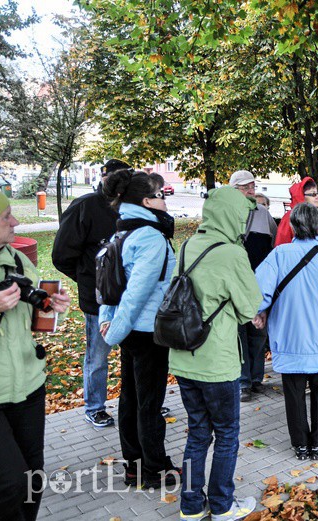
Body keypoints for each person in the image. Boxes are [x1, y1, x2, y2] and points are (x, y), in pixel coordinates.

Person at [169, 187, 263, 521]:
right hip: (217, 362)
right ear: (233, 215)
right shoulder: (232, 254)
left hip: (183, 356)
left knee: (197, 432)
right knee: (226, 435)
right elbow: (249, 307)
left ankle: (191, 506)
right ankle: (222, 505)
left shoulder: (186, 245)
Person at [255, 203, 318, 459]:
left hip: (289, 339)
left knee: (293, 394)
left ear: (291, 226)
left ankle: (300, 444)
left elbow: (257, 295)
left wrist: (262, 311)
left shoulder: (278, 256)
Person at [98, 170, 179, 489]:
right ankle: (153, 469)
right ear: (146, 201)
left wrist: (109, 322)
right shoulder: (149, 236)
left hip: (129, 330)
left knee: (131, 398)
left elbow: (106, 286)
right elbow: (135, 293)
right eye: (160, 195)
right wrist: (113, 330)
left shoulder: (123, 232)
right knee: (148, 403)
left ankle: (134, 465)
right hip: (145, 332)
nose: (164, 199)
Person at [0, 192, 71, 520]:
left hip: (28, 386)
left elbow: (41, 322)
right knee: (8, 484)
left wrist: (55, 309)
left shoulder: (15, 259)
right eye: (6, 216)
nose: (15, 222)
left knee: (32, 477)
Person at [52, 158, 129, 428]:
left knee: (134, 354)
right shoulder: (85, 207)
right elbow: (61, 255)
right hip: (99, 301)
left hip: (131, 298)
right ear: (104, 178)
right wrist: (91, 280)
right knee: (97, 357)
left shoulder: (130, 207)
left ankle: (135, 401)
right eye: (114, 179)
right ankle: (94, 406)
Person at [228, 170, 276, 402]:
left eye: (252, 186)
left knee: (258, 333)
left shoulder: (263, 213)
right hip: (236, 283)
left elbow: (274, 243)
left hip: (260, 284)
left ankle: (256, 378)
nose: (250, 191)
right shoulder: (226, 213)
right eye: (245, 187)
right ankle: (243, 382)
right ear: (233, 189)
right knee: (240, 334)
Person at [275, 177, 318, 247]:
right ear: (301, 196)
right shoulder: (289, 217)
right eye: (313, 194)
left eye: (317, 194)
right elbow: (282, 245)